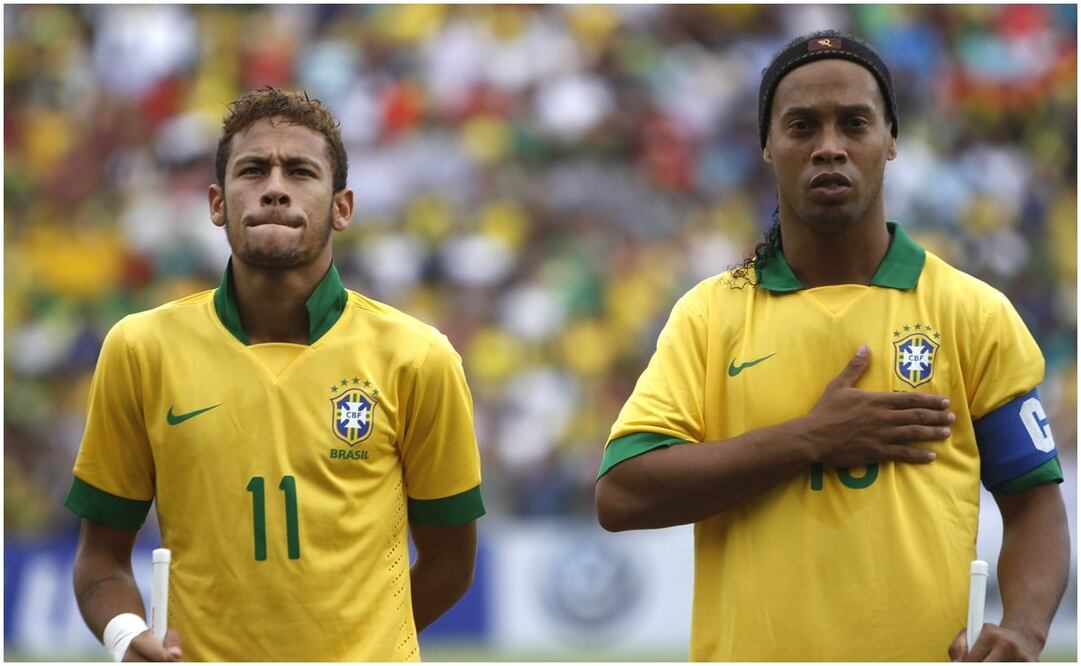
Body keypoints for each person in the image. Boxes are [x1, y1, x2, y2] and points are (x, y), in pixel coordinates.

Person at [595, 30, 1068, 661]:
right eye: (801, 126)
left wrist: (1026, 629)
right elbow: (622, 491)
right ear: (767, 145)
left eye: (854, 123)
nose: (829, 148)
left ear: (890, 140)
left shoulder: (971, 312)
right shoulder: (710, 313)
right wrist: (810, 439)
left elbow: (1035, 501)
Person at [65, 87, 485, 661]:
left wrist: (364, 645)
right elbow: (100, 558)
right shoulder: (140, 348)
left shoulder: (419, 357)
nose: (275, 187)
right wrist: (123, 636)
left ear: (341, 206)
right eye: (253, 170)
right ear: (218, 203)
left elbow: (452, 561)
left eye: (301, 171)